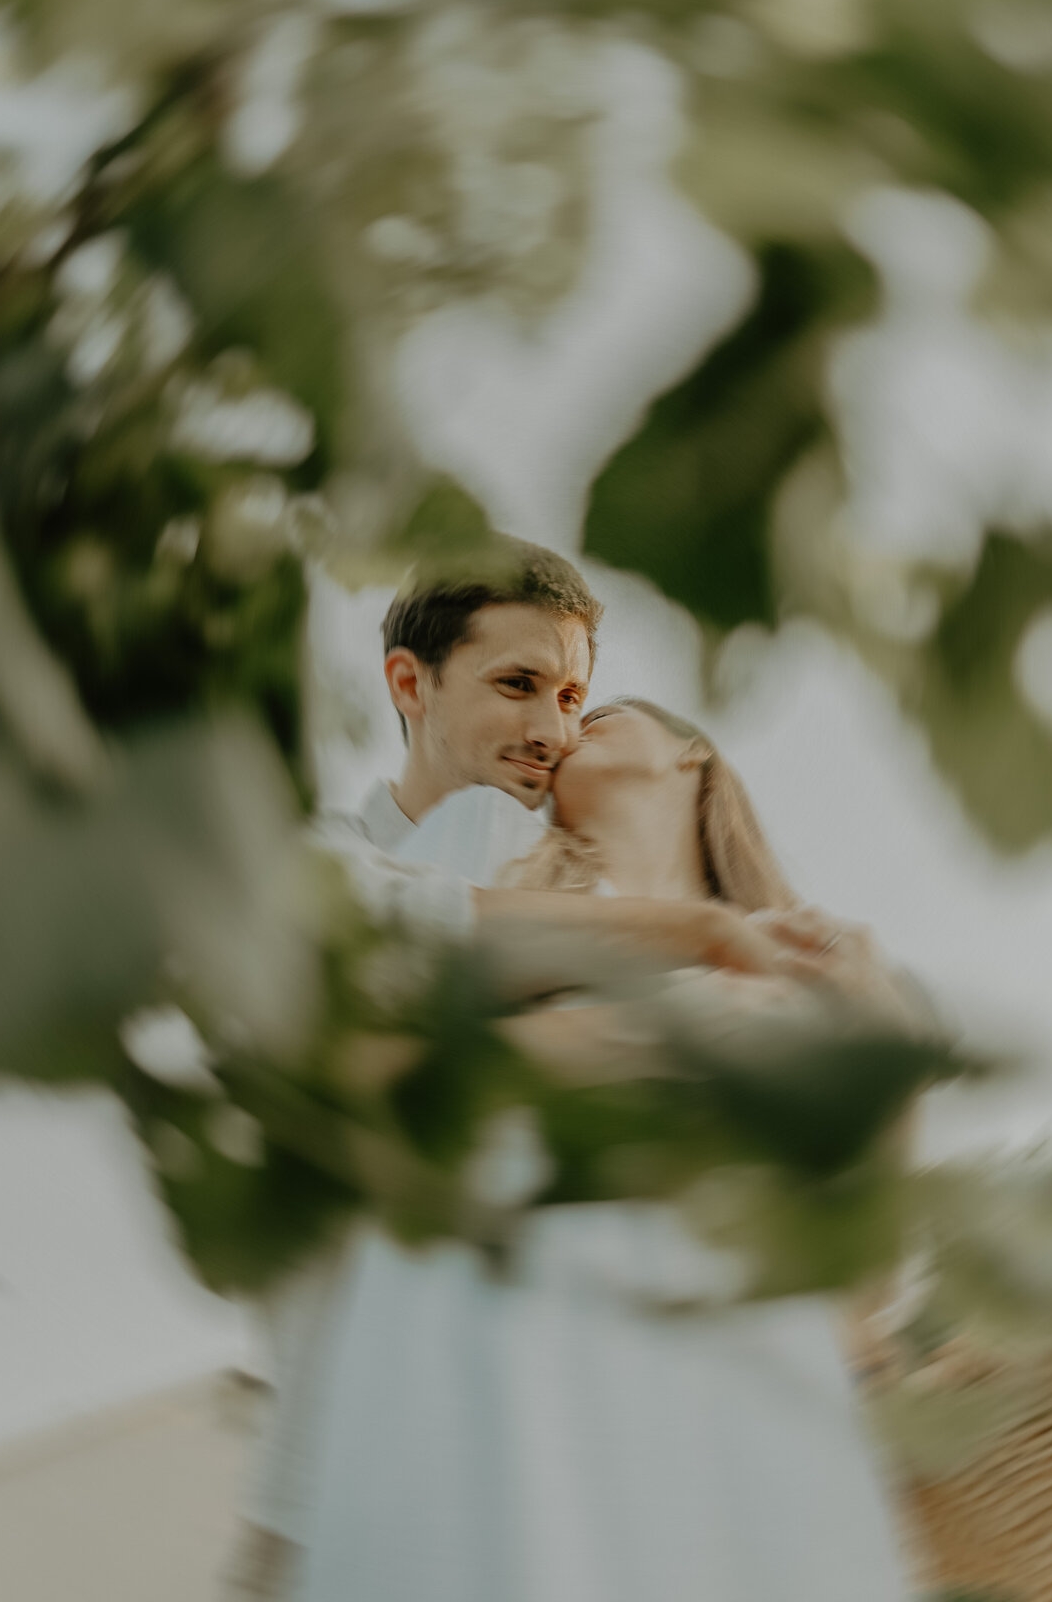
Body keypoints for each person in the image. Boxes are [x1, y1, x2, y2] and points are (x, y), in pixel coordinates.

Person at [231, 538, 824, 1599]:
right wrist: (691, 948)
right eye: (518, 686)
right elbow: (383, 982)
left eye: (572, 693)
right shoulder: (306, 865)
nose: (553, 731)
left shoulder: (580, 900)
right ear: (410, 684)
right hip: (334, 1484)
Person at [287, 689, 915, 1602]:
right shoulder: (484, 846)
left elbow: (862, 1296)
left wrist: (883, 1058)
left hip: (737, 1392)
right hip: (518, 1349)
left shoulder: (810, 959)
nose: (566, 727)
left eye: (603, 709)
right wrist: (637, 1036)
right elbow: (354, 1068)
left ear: (690, 755)